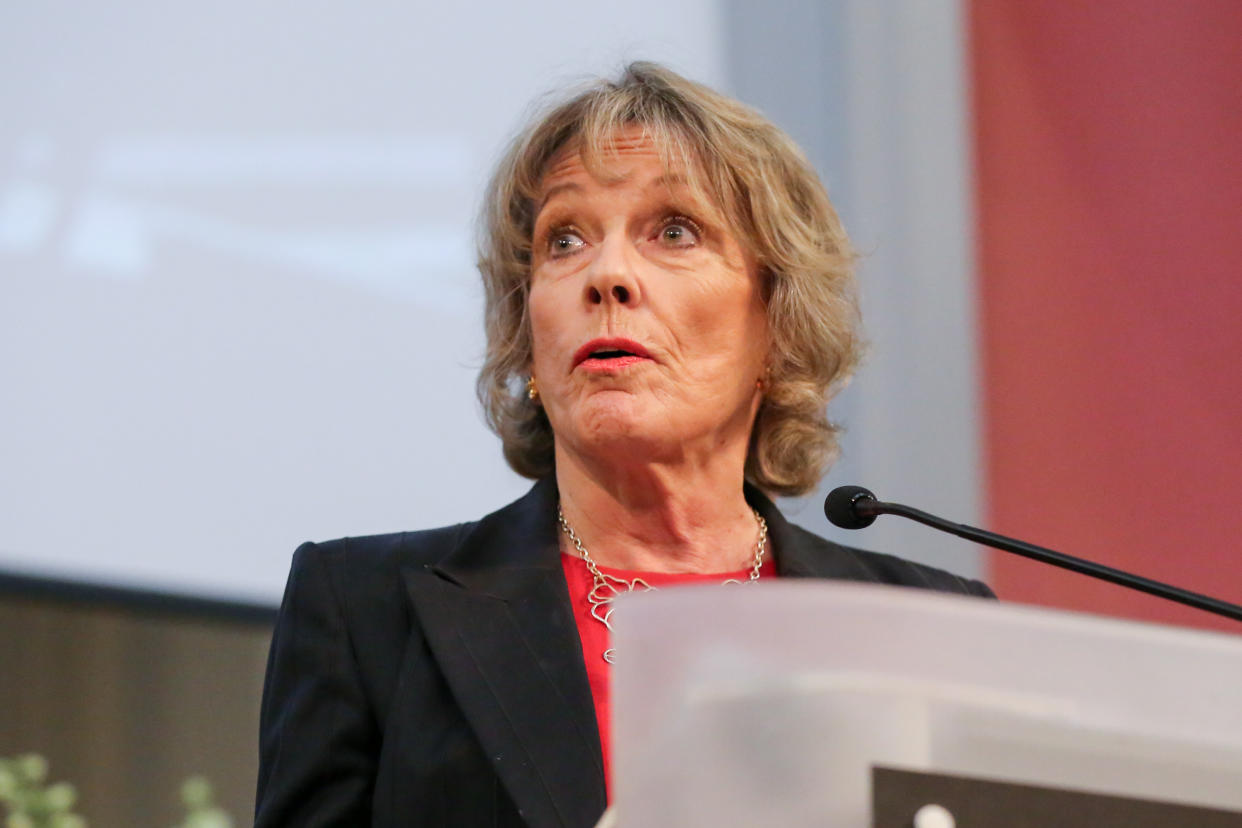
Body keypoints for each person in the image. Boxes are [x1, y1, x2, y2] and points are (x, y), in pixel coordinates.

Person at [254, 62, 993, 828]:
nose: (606, 275)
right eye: (563, 240)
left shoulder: (930, 629)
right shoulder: (364, 613)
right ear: (527, 331)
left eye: (674, 232)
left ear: (777, 324)